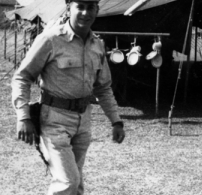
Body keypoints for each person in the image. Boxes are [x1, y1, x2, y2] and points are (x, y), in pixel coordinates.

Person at [11, 0, 125, 194]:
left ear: (97, 9)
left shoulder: (97, 45)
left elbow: (103, 88)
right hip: (54, 120)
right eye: (79, 6)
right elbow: (22, 77)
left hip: (83, 121)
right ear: (69, 7)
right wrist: (23, 116)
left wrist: (116, 121)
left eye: (90, 7)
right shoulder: (50, 39)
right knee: (67, 182)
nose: (85, 13)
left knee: (76, 182)